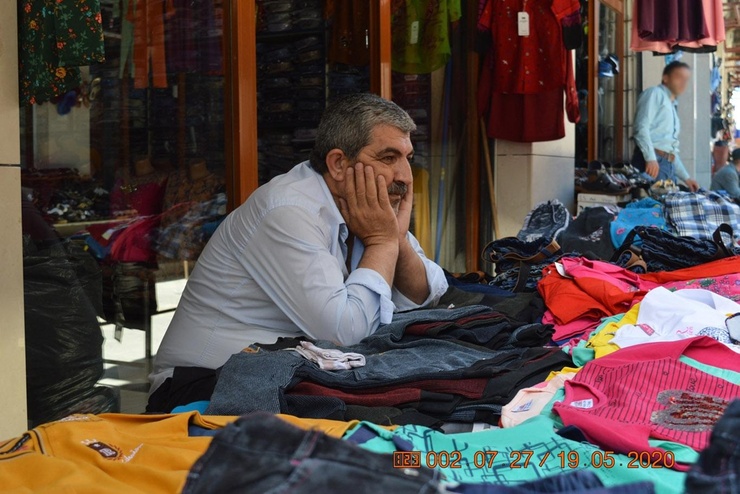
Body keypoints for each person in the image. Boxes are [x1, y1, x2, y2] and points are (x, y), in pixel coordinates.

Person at [148, 93, 448, 410]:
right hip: (198, 388)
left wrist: (396, 240)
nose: (404, 177)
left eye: (408, 159)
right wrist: (383, 242)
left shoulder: (363, 209)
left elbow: (426, 293)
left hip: (276, 374)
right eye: (388, 158)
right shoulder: (289, 210)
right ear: (338, 164)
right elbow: (346, 333)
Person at [632, 61, 699, 192]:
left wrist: (686, 178)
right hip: (652, 162)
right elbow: (641, 127)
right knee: (652, 208)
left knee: (667, 208)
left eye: (686, 79)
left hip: (667, 165)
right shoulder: (654, 93)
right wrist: (650, 158)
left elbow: (670, 150)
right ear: (665, 78)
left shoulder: (671, 105)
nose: (683, 83)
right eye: (679, 77)